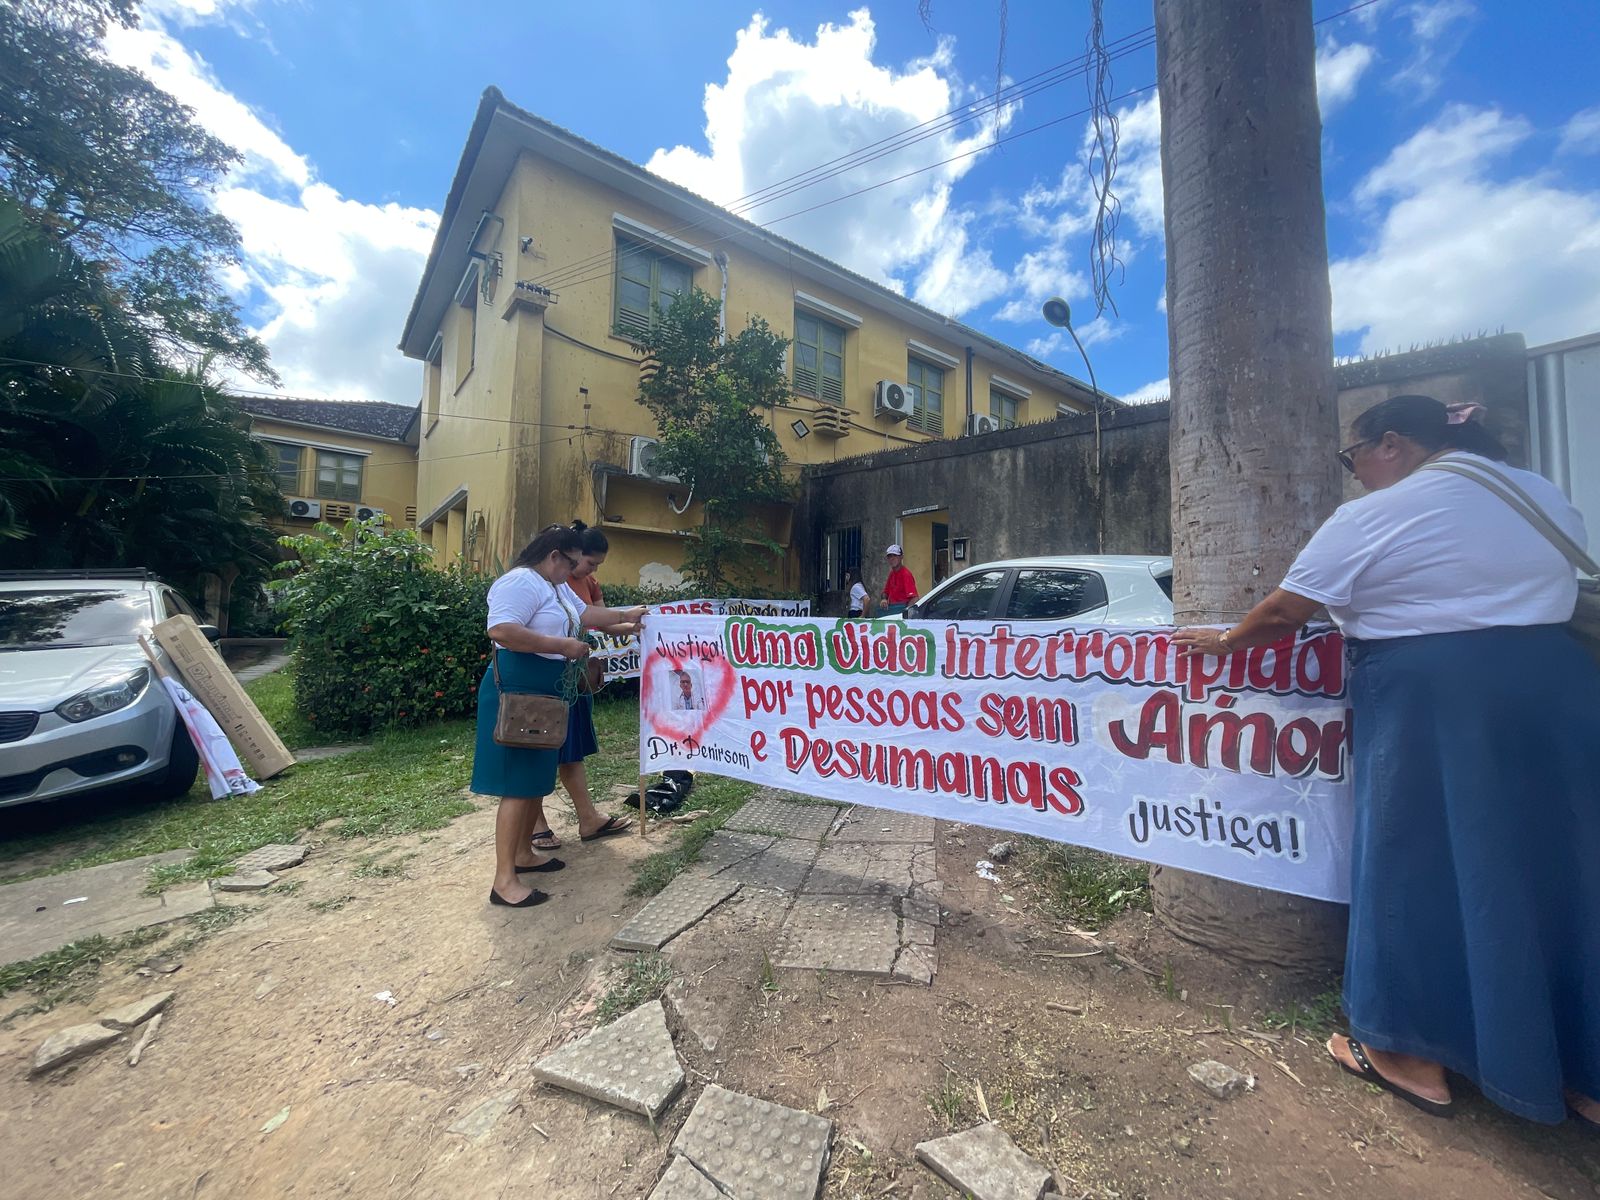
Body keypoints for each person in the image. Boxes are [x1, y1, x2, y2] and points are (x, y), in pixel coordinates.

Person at [1173, 394, 1600, 1128]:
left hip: (1436, 702)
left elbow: (1283, 614)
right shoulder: (1541, 495)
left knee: (1412, 863)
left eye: (1353, 459)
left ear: (1392, 444)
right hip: (1558, 694)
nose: (1356, 475)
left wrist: (1218, 645)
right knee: (1561, 866)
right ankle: (1577, 1069)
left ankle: (1408, 1053)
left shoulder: (1376, 515)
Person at [474, 525, 645, 907]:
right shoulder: (520, 582)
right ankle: (504, 881)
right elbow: (501, 630)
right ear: (554, 556)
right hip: (520, 691)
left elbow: (585, 613)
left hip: (545, 690)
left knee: (534, 781)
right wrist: (561, 645)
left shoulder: (554, 586)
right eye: (570, 563)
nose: (573, 572)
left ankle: (522, 855)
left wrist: (627, 614)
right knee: (518, 784)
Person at [529, 521, 637, 852]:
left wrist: (634, 622)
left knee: (571, 749)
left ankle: (588, 818)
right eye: (586, 562)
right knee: (537, 751)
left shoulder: (573, 584)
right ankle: (536, 823)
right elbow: (503, 630)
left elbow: (596, 616)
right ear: (560, 557)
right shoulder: (536, 583)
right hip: (543, 674)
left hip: (571, 674)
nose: (587, 570)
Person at [881, 544, 918, 615]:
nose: (892, 558)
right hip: (892, 610)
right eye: (889, 556)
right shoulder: (892, 574)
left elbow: (914, 598)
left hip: (901, 610)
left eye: (895, 555)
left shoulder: (906, 574)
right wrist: (884, 599)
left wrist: (905, 614)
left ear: (901, 557)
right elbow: (885, 592)